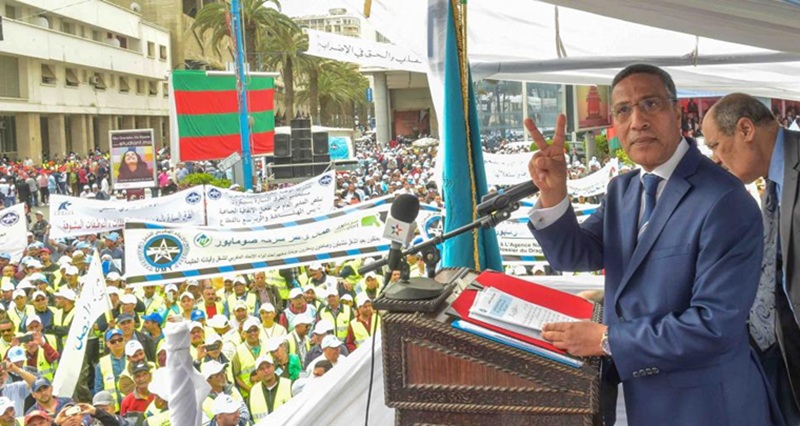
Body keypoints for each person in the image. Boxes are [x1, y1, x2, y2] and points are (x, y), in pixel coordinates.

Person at [525, 64, 779, 425]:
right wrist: (553, 194)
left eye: (650, 104)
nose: (637, 121)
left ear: (677, 113)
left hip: (710, 408)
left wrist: (607, 340)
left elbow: (713, 325)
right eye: (624, 110)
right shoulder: (622, 190)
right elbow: (573, 254)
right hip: (646, 402)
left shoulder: (725, 201)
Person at [702, 92, 800, 424]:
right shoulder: (770, 184)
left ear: (745, 129)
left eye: (715, 145)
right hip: (783, 352)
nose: (715, 158)